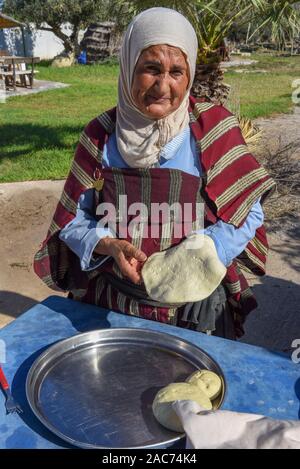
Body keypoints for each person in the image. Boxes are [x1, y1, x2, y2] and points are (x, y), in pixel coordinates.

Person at [34, 7, 275, 339]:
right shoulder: (100, 136)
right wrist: (107, 244)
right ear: (129, 66)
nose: (163, 86)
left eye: (177, 71)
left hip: (194, 310)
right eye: (151, 69)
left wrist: (203, 254)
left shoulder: (212, 130)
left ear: (190, 74)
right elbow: (72, 220)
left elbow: (250, 212)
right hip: (112, 304)